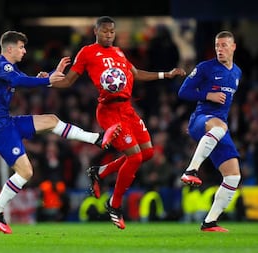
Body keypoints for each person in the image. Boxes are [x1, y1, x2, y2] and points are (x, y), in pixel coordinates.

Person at [51, 16, 186, 230]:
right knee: (134, 156)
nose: (109, 35)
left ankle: (100, 172)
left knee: (148, 153)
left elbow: (137, 73)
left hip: (127, 109)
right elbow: (67, 81)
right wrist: (47, 80)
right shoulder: (87, 52)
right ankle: (114, 205)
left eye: (112, 32)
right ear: (96, 31)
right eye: (105, 31)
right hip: (109, 111)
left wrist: (165, 74)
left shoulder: (119, 53)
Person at [0, 30, 120, 234]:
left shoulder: (8, 68)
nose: (24, 51)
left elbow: (24, 79)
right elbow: (20, 82)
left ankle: (96, 139)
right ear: (9, 49)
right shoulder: (0, 66)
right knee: (26, 172)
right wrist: (48, 80)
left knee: (51, 120)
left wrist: (46, 76)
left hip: (6, 122)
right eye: (21, 47)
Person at [178, 31, 241, 232]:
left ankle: (209, 222)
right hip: (201, 120)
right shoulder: (206, 68)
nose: (220, 49)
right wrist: (208, 95)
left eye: (224, 45)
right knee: (221, 127)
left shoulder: (237, 73)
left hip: (218, 129)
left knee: (233, 176)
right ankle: (190, 170)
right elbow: (183, 92)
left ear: (233, 47)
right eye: (217, 46)